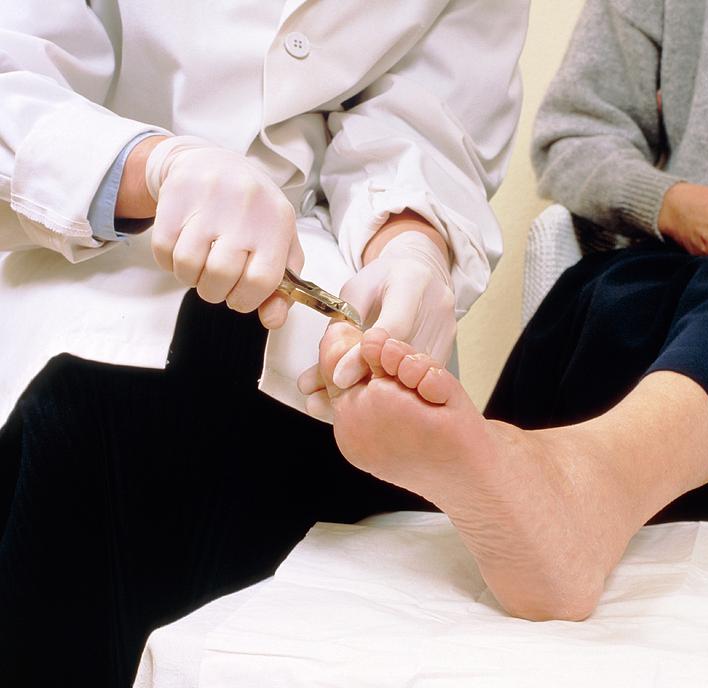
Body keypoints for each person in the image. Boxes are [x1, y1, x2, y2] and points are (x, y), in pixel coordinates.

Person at [315, 0, 708, 623]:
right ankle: (529, 488)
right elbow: (573, 133)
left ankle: (587, 490)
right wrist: (672, 201)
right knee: (621, 305)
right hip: (696, 253)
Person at [0, 1, 527, 685]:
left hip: (328, 379)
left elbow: (432, 120)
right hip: (91, 327)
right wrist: (153, 165)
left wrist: (412, 245)